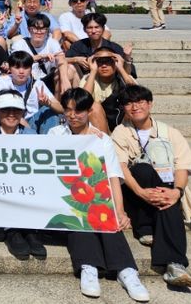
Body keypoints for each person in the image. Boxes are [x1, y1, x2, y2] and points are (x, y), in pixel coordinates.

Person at [50, 88, 150, 302]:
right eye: (68, 110)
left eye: (78, 111)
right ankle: (89, 267)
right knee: (79, 210)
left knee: (104, 211)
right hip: (66, 196)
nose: (72, 115)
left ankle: (127, 271)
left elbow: (113, 177)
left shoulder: (102, 139)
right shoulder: (55, 134)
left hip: (96, 194)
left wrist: (120, 212)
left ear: (89, 111)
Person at [112, 85, 191, 287]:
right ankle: (145, 227)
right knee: (142, 170)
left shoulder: (170, 132)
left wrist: (177, 192)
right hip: (135, 196)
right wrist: (140, 191)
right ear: (124, 108)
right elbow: (120, 167)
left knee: (168, 195)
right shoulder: (121, 132)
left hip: (165, 191)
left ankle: (175, 264)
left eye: (140, 101)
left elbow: (182, 167)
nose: (135, 107)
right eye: (129, 103)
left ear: (150, 104)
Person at [0, 90, 43, 260]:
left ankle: (30, 230)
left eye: (16, 110)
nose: (12, 114)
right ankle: (11, 231)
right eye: (6, 110)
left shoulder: (31, 135)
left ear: (23, 112)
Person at [0, 51, 63, 133]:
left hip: (33, 121)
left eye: (25, 68)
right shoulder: (2, 82)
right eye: (17, 67)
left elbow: (61, 109)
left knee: (49, 110)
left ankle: (50, 140)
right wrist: (21, 121)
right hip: (11, 120)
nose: (21, 71)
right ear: (10, 69)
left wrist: (48, 103)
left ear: (31, 69)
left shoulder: (37, 84)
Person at [80, 46, 137, 132]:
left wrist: (121, 68)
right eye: (99, 62)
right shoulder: (88, 78)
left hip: (122, 124)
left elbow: (137, 95)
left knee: (134, 106)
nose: (104, 65)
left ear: (115, 62)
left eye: (108, 61)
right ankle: (105, 140)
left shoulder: (124, 78)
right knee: (94, 106)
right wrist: (93, 71)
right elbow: (82, 101)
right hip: (98, 126)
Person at [11, 14, 69, 95]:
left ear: (47, 31)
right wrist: (40, 56)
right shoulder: (19, 44)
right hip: (27, 80)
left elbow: (61, 58)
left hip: (47, 79)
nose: (39, 32)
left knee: (70, 69)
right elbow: (16, 62)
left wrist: (65, 80)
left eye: (42, 29)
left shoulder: (52, 42)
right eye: (35, 29)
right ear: (29, 29)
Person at [66, 13, 133, 80]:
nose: (93, 31)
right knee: (70, 67)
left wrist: (127, 58)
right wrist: (76, 59)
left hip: (109, 82)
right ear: (84, 29)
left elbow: (128, 73)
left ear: (103, 29)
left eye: (97, 27)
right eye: (90, 28)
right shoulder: (78, 45)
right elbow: (64, 60)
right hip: (84, 81)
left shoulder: (114, 47)